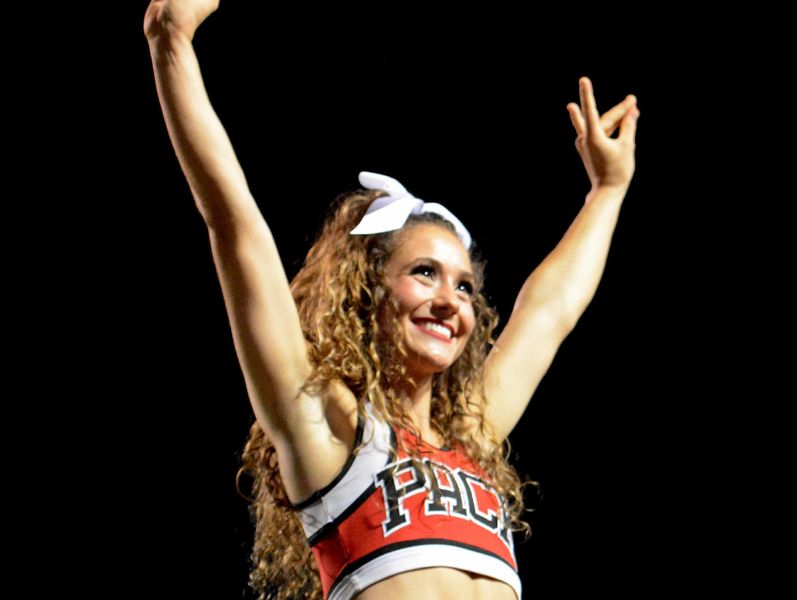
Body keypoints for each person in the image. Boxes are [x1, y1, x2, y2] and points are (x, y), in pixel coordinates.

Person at [144, 2, 639, 599]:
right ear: (367, 289)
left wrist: (607, 192)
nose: (450, 300)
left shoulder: (471, 436)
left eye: (464, 286)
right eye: (425, 273)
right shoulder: (327, 426)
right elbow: (234, 223)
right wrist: (170, 42)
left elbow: (549, 311)